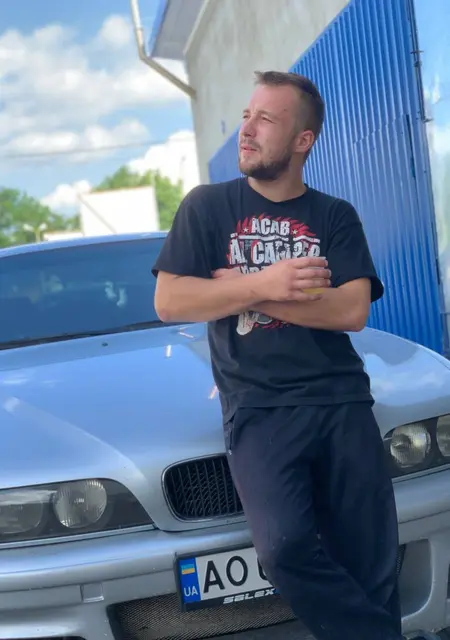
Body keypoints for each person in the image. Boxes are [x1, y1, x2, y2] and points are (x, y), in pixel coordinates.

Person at [152, 71, 415, 640]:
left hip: (341, 400)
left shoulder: (334, 215)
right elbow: (171, 300)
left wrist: (252, 290)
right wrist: (266, 282)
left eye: (265, 119)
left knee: (370, 559)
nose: (247, 129)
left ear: (303, 139)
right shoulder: (208, 207)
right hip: (260, 408)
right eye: (247, 116)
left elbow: (351, 310)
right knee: (284, 547)